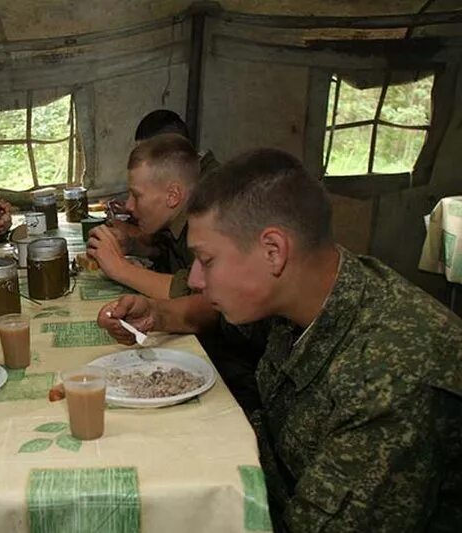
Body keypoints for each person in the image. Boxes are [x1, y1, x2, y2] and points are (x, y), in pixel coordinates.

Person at [99, 148, 462, 531]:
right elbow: (223, 322)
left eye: (207, 261)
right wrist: (159, 313)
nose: (194, 280)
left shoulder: (391, 376)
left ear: (273, 251)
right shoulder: (309, 289)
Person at [87, 133, 201, 299]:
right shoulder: (173, 221)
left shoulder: (203, 227)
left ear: (173, 196)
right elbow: (167, 253)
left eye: (137, 196)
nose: (129, 206)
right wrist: (133, 246)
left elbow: (196, 295)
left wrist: (119, 267)